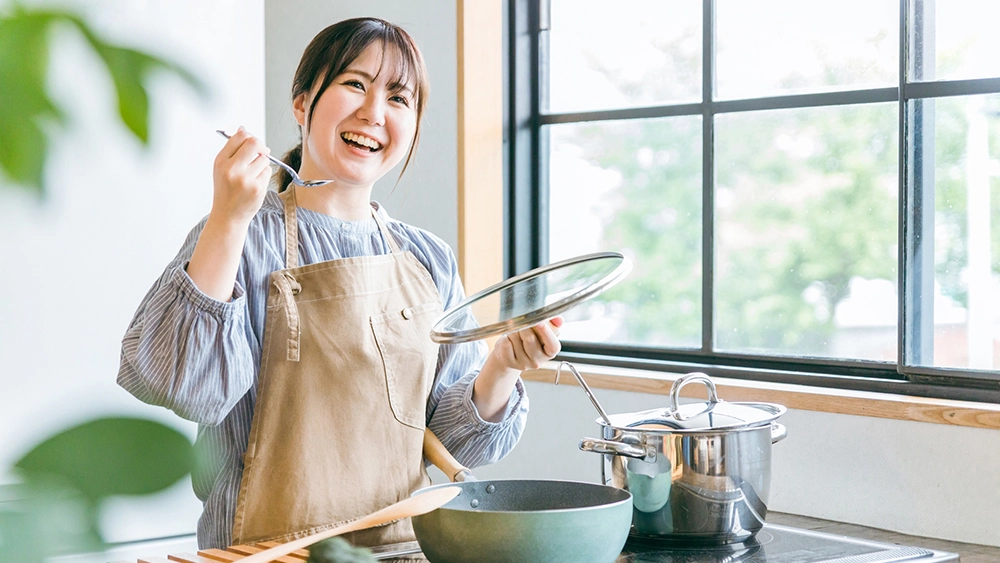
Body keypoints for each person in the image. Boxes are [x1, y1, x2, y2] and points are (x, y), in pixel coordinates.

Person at [118, 17, 561, 552]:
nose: (373, 113)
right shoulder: (242, 234)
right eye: (355, 84)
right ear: (302, 104)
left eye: (399, 97)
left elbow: (455, 441)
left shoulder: (427, 258)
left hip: (401, 550)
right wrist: (228, 219)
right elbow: (185, 389)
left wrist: (502, 366)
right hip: (266, 554)